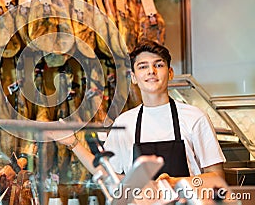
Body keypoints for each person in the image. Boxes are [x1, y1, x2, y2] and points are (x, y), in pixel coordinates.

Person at [54, 39, 225, 187]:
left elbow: (217, 177)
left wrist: (175, 182)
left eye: (158, 65)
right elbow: (108, 175)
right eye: (143, 66)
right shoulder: (125, 123)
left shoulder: (195, 117)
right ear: (134, 77)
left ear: (170, 73)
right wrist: (73, 143)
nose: (151, 71)